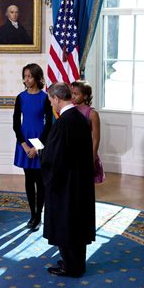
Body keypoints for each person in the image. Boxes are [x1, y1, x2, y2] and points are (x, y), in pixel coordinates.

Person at [40, 83, 95, 277]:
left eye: (50, 100)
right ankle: (76, 263)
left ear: (56, 98)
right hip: (79, 183)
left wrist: (42, 154)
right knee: (76, 225)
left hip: (65, 185)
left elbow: (54, 158)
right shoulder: (80, 118)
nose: (51, 104)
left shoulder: (63, 122)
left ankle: (71, 267)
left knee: (66, 224)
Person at [13, 64, 52, 231]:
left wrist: (36, 148)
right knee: (29, 180)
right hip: (24, 141)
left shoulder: (45, 98)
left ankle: (39, 214)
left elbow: (49, 124)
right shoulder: (20, 97)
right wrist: (24, 145)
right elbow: (16, 124)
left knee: (40, 181)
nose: (26, 79)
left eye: (30, 76)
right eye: (25, 76)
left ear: (37, 78)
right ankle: (32, 215)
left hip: (39, 141)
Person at [71, 80, 106, 184]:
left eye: (76, 94)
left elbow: (96, 138)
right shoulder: (71, 110)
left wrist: (93, 156)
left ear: (85, 96)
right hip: (72, 149)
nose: (73, 96)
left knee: (85, 182)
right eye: (72, 93)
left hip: (85, 150)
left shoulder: (92, 114)